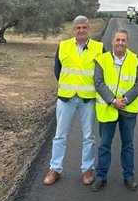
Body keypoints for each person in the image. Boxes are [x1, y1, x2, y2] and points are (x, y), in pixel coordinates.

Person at [44, 16, 104, 186]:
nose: (81, 30)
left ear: (89, 29)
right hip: (66, 98)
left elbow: (103, 73)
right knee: (60, 135)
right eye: (78, 28)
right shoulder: (63, 46)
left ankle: (87, 170)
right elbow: (58, 70)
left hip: (88, 99)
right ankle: (55, 169)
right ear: (74, 29)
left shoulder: (99, 48)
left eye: (84, 27)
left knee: (89, 136)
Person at [91, 29, 138, 192]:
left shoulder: (135, 60)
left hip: (128, 109)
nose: (120, 43)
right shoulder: (102, 60)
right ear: (112, 41)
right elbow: (98, 83)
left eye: (123, 40)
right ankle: (101, 176)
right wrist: (113, 101)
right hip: (108, 108)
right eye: (118, 40)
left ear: (127, 42)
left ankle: (128, 176)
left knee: (128, 145)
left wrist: (126, 99)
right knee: (104, 144)